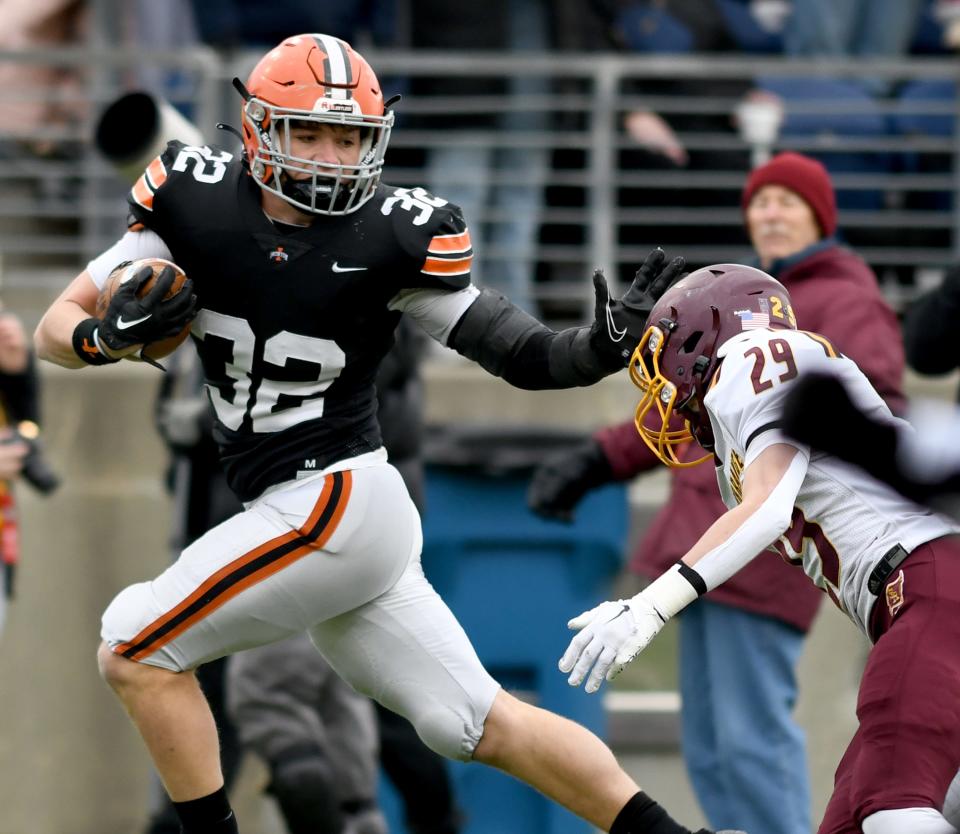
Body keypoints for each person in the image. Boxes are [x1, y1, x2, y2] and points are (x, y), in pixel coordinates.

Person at [31, 34, 735, 834]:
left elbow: (519, 350)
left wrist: (597, 349)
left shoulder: (395, 234)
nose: (333, 156)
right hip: (317, 512)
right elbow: (59, 322)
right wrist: (105, 340)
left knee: (132, 646)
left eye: (350, 137)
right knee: (474, 722)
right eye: (312, 133)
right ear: (260, 130)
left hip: (331, 499)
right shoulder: (190, 198)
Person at [528, 150, 905, 834]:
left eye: (788, 202)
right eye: (761, 202)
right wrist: (598, 459)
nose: (770, 213)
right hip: (706, 543)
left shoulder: (841, 301)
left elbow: (876, 412)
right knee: (709, 748)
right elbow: (681, 416)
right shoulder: (748, 299)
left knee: (749, 740)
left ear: (821, 216)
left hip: (766, 549)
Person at [560, 262, 960, 834]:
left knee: (890, 807)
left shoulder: (753, 357)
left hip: (929, 585)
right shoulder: (745, 414)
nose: (665, 395)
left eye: (663, 365)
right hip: (922, 599)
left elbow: (769, 507)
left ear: (703, 337)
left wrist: (648, 606)